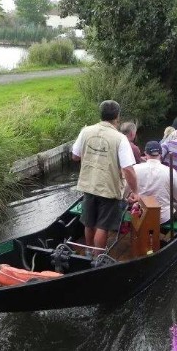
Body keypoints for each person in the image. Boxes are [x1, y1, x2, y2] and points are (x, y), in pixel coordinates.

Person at [72, 100, 139, 256]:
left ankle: (88, 252)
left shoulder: (85, 131)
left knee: (89, 222)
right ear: (117, 117)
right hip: (108, 188)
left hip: (88, 184)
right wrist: (135, 190)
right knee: (102, 225)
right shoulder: (120, 138)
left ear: (100, 114)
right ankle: (98, 257)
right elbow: (128, 169)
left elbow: (75, 156)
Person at [124, 141, 177, 224]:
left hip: (141, 215)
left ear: (145, 154)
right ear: (160, 154)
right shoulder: (170, 171)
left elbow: (123, 192)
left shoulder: (135, 169)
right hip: (164, 218)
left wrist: (126, 198)